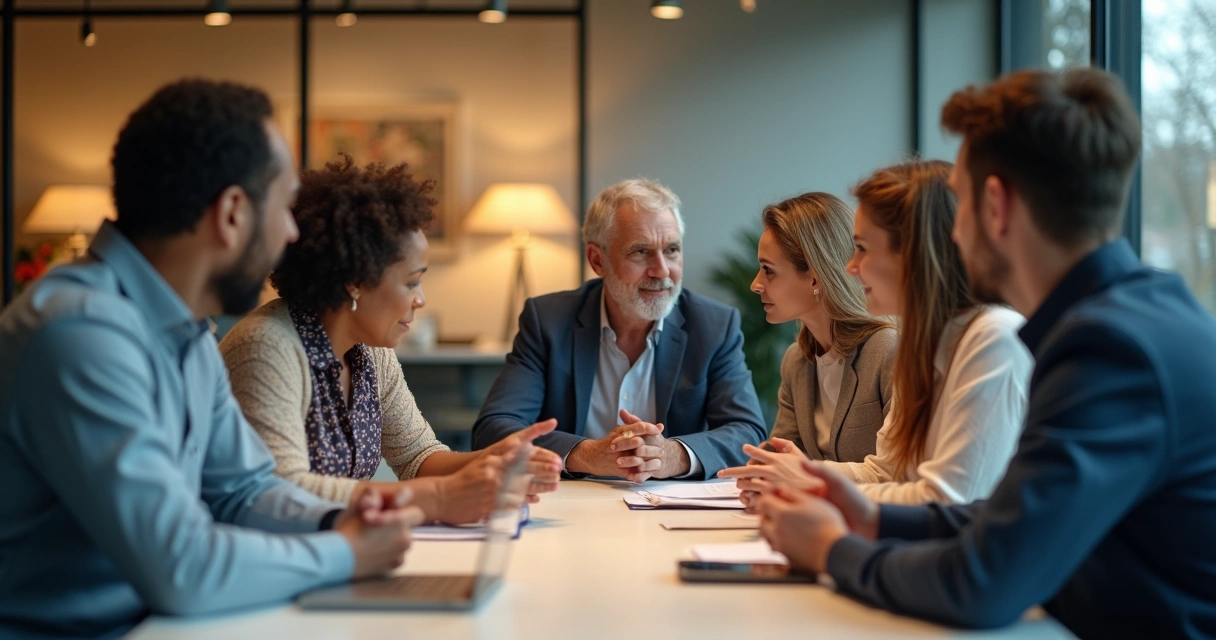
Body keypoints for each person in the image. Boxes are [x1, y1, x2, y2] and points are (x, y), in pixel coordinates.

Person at [756, 68, 1216, 638]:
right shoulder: (1133, 319)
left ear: (995, 206)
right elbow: (1016, 520)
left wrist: (830, 550)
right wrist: (871, 515)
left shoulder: (1107, 350)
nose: (950, 234)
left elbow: (984, 583)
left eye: (960, 204)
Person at [0, 79, 447, 639]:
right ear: (232, 213)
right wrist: (345, 552)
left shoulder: (186, 331)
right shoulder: (81, 334)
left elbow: (244, 491)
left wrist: (340, 519)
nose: (291, 233)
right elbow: (180, 566)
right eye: (284, 207)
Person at [220, 154, 561, 524]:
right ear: (356, 281)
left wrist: (493, 459)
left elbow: (418, 458)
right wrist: (438, 498)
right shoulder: (267, 347)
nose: (421, 299)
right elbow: (282, 489)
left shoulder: (368, 352)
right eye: (412, 281)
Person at [724, 160, 1032, 505]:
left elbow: (949, 500)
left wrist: (809, 485)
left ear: (913, 254)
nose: (850, 267)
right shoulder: (923, 347)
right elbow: (885, 472)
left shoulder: (993, 339)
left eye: (863, 249)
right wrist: (794, 477)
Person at [472, 178, 767, 480]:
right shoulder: (548, 321)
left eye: (672, 250)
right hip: (570, 508)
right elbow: (495, 429)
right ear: (597, 260)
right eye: (640, 252)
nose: (662, 270)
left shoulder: (713, 325)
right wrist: (586, 455)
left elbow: (748, 433)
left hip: (671, 509)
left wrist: (671, 456)